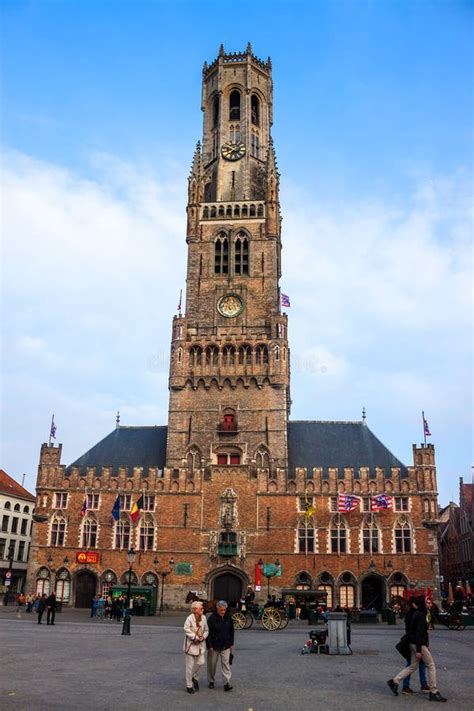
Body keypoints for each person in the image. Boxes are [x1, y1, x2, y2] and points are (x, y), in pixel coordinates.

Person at [387, 595, 447, 702]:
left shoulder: (417, 613)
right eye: (426, 602)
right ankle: (433, 691)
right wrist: (419, 650)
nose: (429, 604)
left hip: (413, 643)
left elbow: (420, 632)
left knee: (413, 666)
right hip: (418, 644)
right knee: (431, 665)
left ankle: (395, 681)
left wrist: (425, 644)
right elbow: (419, 633)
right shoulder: (420, 615)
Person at [400, 597, 429, 695]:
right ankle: (405, 685)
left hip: (416, 642)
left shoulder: (416, 613)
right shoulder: (415, 614)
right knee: (411, 665)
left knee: (420, 664)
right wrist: (419, 648)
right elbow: (417, 632)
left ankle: (422, 684)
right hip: (414, 642)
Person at [206, 600, 234, 691]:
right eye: (221, 610)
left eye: (224, 610)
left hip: (226, 645)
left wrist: (231, 643)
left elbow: (231, 630)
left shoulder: (228, 617)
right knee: (212, 664)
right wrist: (209, 646)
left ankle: (227, 683)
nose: (223, 611)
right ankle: (211, 681)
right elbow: (208, 633)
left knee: (225, 664)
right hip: (214, 646)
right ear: (217, 609)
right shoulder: (212, 618)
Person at [183, 600, 209, 694]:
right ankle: (189, 685)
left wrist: (203, 637)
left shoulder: (204, 618)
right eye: (200, 608)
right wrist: (195, 637)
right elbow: (186, 629)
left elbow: (206, 630)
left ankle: (195, 678)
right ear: (195, 610)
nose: (202, 609)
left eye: (202, 608)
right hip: (191, 645)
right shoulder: (189, 618)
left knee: (201, 663)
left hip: (201, 645)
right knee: (189, 667)